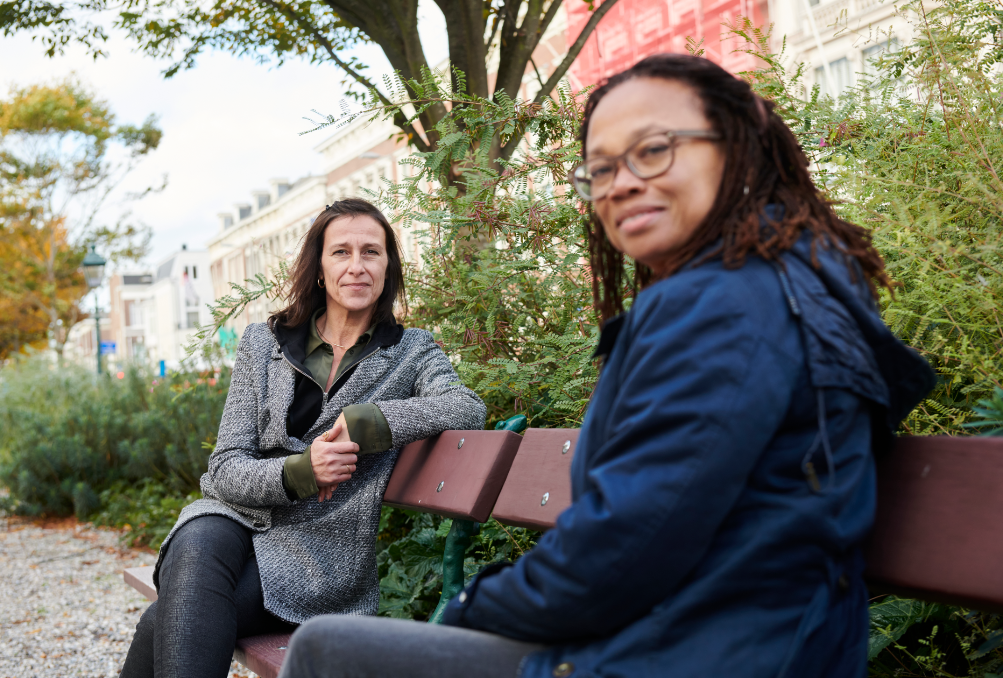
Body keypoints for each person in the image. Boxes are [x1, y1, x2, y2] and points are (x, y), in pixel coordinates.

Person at [276, 54, 935, 678]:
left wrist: (470, 608)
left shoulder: (724, 303)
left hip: (693, 656)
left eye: (653, 150)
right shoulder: (797, 279)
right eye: (600, 169)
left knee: (330, 652)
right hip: (740, 640)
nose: (621, 182)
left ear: (733, 148)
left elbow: (627, 544)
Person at [120, 198, 486, 678]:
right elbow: (224, 469)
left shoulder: (410, 350)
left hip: (316, 557)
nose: (357, 266)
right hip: (233, 521)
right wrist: (301, 472)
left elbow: (466, 408)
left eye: (371, 253)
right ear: (318, 267)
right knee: (197, 539)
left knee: (169, 615)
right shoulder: (263, 342)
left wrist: (370, 421)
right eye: (341, 252)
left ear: (388, 267)